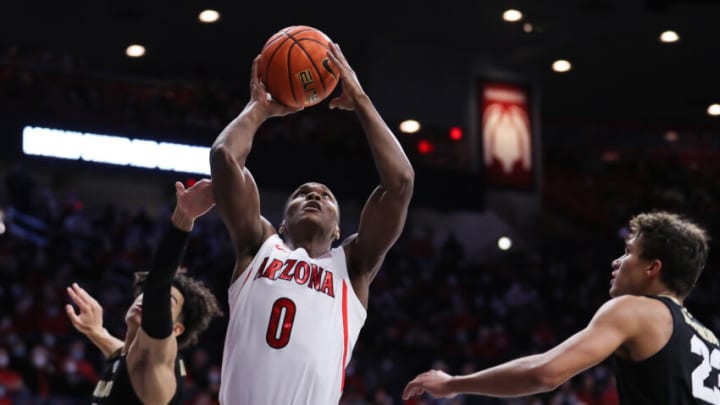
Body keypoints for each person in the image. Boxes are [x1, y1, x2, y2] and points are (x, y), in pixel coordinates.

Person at [210, 42, 414, 405]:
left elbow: (400, 183)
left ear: (338, 231)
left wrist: (361, 100)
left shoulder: (351, 267)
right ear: (282, 222)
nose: (315, 196)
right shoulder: (258, 246)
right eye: (303, 193)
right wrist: (258, 110)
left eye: (326, 195)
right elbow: (224, 157)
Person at [403, 211, 719, 405]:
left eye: (628, 253)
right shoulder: (710, 341)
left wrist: (453, 384)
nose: (617, 261)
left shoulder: (635, 310)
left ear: (653, 268)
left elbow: (544, 372)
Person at [65, 179, 223, 405]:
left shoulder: (155, 362)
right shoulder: (128, 356)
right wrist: (95, 330)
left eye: (166, 302)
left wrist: (183, 218)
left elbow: (158, 285)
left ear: (176, 328)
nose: (147, 300)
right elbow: (120, 349)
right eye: (143, 294)